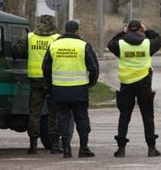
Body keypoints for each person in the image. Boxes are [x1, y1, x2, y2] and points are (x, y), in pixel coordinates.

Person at [107, 20, 161, 158]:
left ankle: (121, 149)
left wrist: (123, 32)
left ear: (127, 29)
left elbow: (110, 43)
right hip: (144, 84)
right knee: (147, 116)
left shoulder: (120, 45)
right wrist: (147, 30)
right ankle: (151, 149)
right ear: (140, 29)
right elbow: (159, 40)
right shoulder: (147, 44)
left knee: (124, 116)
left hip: (126, 85)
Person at [42, 20, 99, 158]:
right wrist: (90, 83)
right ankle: (83, 148)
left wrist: (51, 85)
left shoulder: (54, 45)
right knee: (82, 118)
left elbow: (45, 68)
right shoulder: (83, 46)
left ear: (64, 30)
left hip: (59, 89)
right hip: (79, 89)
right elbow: (94, 68)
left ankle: (66, 149)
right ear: (77, 31)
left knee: (63, 119)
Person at [15, 15, 62, 154]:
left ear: (39, 23)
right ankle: (54, 145)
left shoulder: (29, 37)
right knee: (54, 113)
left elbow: (17, 51)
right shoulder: (57, 38)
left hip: (35, 80)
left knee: (34, 113)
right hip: (52, 81)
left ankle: (33, 146)